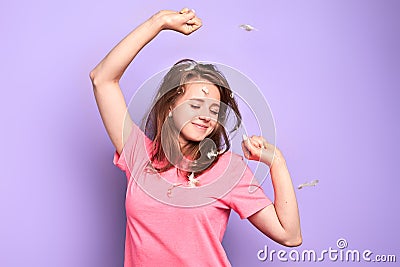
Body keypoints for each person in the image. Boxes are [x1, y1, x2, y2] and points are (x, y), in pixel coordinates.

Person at [90, 8, 302, 267]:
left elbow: (289, 236)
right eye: (195, 105)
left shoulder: (228, 170)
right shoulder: (138, 154)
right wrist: (159, 22)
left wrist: (276, 162)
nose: (205, 116)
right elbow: (102, 79)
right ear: (170, 107)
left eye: (214, 109)